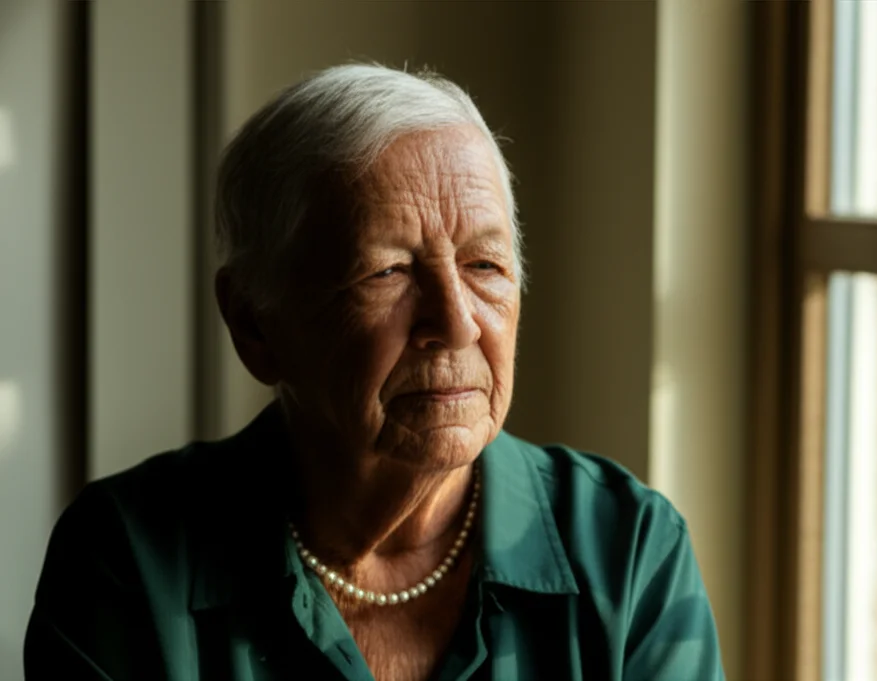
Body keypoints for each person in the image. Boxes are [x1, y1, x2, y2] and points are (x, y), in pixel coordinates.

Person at [24, 63, 724, 681]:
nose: (455, 322)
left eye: (484, 265)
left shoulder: (624, 551)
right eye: (386, 271)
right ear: (253, 323)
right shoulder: (129, 561)